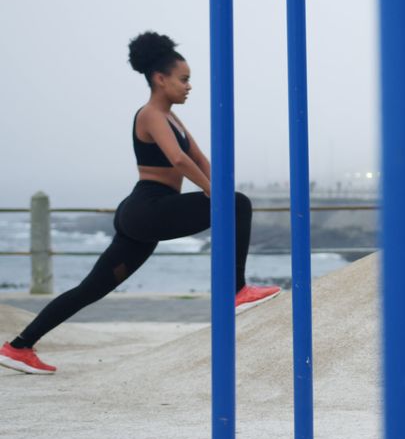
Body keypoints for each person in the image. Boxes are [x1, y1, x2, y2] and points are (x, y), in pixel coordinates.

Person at [0, 32, 280, 375]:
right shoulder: (149, 115)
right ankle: (236, 291)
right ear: (160, 79)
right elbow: (177, 160)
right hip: (149, 208)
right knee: (237, 205)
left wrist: (217, 184)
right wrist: (214, 194)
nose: (189, 86)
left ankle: (18, 346)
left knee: (92, 287)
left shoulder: (173, 118)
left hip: (145, 216)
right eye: (184, 79)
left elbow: (199, 157)